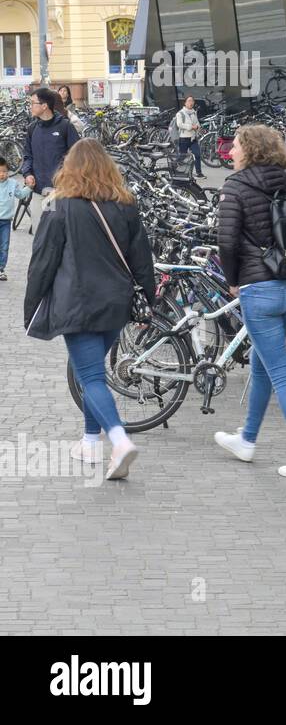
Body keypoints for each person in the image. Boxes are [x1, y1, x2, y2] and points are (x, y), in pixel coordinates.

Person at [23, 139, 155, 479]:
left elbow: (43, 261)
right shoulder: (126, 204)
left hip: (77, 302)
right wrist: (150, 299)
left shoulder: (57, 205)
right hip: (116, 303)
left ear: (70, 168)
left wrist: (32, 304)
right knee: (92, 372)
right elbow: (142, 258)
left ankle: (118, 439)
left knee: (91, 377)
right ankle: (90, 441)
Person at [213, 124, 286, 480]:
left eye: (237, 147)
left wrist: (232, 282)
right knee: (262, 364)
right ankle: (246, 439)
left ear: (251, 151)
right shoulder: (285, 181)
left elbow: (226, 242)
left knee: (281, 374)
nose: (231, 152)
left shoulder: (235, 186)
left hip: (260, 288)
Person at [20, 87, 80, 224]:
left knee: (57, 235)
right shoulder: (32, 128)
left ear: (44, 106)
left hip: (60, 191)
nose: (30, 107)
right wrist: (27, 173)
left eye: (32, 103)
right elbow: (28, 156)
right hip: (38, 190)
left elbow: (77, 157)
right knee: (39, 234)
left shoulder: (65, 126)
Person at [0, 156, 31, 280]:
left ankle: (1, 269)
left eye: (4, 171)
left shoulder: (13, 184)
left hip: (6, 222)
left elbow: (21, 195)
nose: (2, 174)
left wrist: (29, 187)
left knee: (4, 245)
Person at [172, 95, 204, 177]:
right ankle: (173, 167)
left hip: (193, 138)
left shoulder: (194, 112)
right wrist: (191, 127)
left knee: (197, 155)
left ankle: (199, 173)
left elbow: (197, 123)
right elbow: (179, 124)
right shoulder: (180, 113)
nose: (191, 103)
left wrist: (199, 128)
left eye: (192, 101)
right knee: (182, 156)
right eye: (189, 101)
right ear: (185, 103)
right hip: (184, 138)